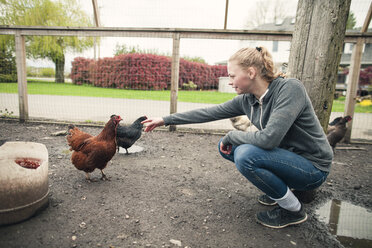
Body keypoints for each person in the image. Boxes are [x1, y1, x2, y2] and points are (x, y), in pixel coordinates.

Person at [141, 46, 333, 229]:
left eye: (232, 76)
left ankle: (293, 210)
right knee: (230, 148)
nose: (230, 82)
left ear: (251, 73)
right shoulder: (248, 99)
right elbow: (208, 113)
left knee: (245, 155)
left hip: (313, 168)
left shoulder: (289, 89)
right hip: (289, 161)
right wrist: (165, 120)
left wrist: (232, 135)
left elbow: (269, 139)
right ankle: (280, 191)